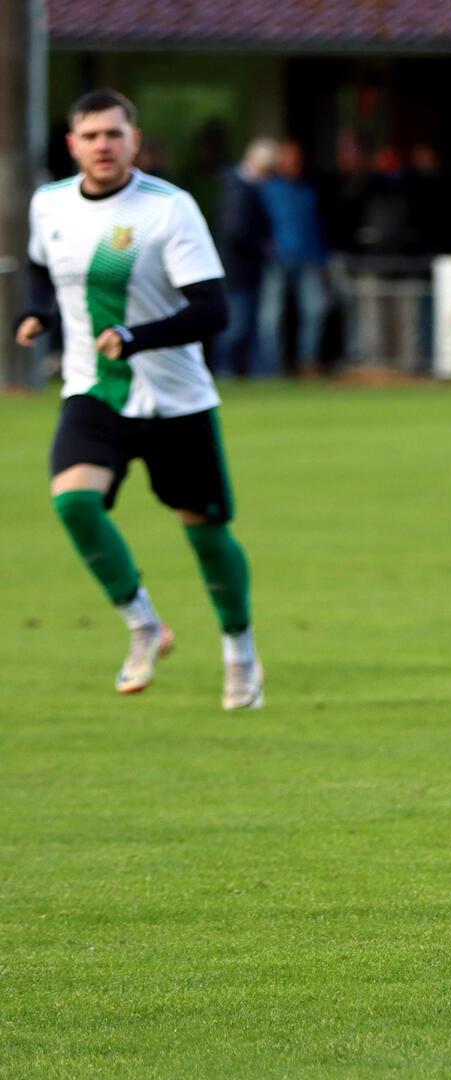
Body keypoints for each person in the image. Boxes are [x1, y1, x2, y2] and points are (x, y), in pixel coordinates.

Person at [13, 89, 264, 709]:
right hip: (94, 390)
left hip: (174, 398)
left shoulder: (168, 209)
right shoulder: (49, 204)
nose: (103, 145)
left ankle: (240, 652)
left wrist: (136, 336)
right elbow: (45, 267)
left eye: (114, 134)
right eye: (91, 135)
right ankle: (144, 622)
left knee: (206, 532)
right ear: (72, 144)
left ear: (134, 140)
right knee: (74, 502)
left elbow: (214, 310)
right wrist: (40, 313)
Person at [258, 139, 329, 377]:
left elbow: (316, 226)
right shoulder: (267, 189)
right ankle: (272, 366)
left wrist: (321, 258)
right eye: (289, 159)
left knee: (315, 310)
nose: (294, 164)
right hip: (277, 261)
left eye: (297, 159)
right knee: (272, 315)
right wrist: (267, 248)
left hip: (308, 258)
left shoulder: (307, 190)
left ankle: (307, 361)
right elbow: (255, 225)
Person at [212, 136, 275, 377]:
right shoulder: (240, 190)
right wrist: (261, 246)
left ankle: (238, 369)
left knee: (243, 323)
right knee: (236, 324)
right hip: (237, 269)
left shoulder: (238, 186)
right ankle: (225, 370)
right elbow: (235, 232)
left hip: (239, 267)